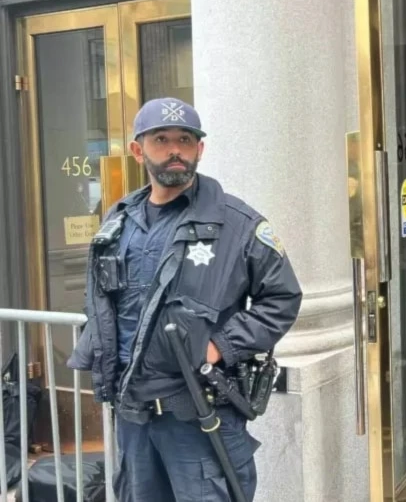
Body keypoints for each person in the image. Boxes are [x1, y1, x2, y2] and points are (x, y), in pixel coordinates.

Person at [67, 98, 303, 501]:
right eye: (162, 139)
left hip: (198, 417)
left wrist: (219, 347)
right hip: (133, 418)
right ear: (138, 150)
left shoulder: (236, 223)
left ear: (200, 150)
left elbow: (281, 297)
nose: (175, 149)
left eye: (185, 140)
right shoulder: (118, 221)